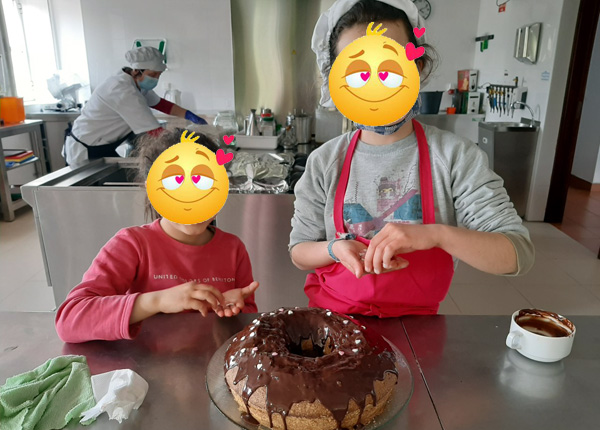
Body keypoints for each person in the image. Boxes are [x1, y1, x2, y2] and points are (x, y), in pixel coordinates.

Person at [289, 0, 534, 317]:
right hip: (333, 320)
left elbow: (517, 254)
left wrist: (436, 234)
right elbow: (299, 252)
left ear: (417, 67)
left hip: (416, 326)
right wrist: (333, 248)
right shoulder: (325, 161)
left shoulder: (454, 157)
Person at [55, 129, 258, 344]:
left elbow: (248, 318)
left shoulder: (233, 249)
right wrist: (157, 301)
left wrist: (234, 311)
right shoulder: (132, 244)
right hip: (144, 362)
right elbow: (70, 319)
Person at [63, 46, 207, 168]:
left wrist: (189, 115)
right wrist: (184, 143)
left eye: (159, 75)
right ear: (137, 71)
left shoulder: (136, 84)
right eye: (153, 74)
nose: (156, 78)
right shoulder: (122, 91)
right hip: (85, 151)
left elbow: (161, 104)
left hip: (103, 145)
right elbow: (155, 131)